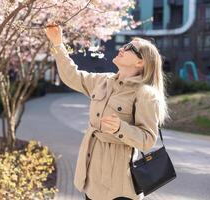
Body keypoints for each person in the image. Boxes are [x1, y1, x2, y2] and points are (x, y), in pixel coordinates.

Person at [44, 22, 170, 200]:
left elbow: (147, 140)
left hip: (119, 188)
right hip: (90, 180)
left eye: (130, 48)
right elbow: (72, 76)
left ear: (140, 62)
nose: (123, 48)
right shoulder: (104, 81)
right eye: (125, 44)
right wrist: (58, 44)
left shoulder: (146, 94)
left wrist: (120, 128)